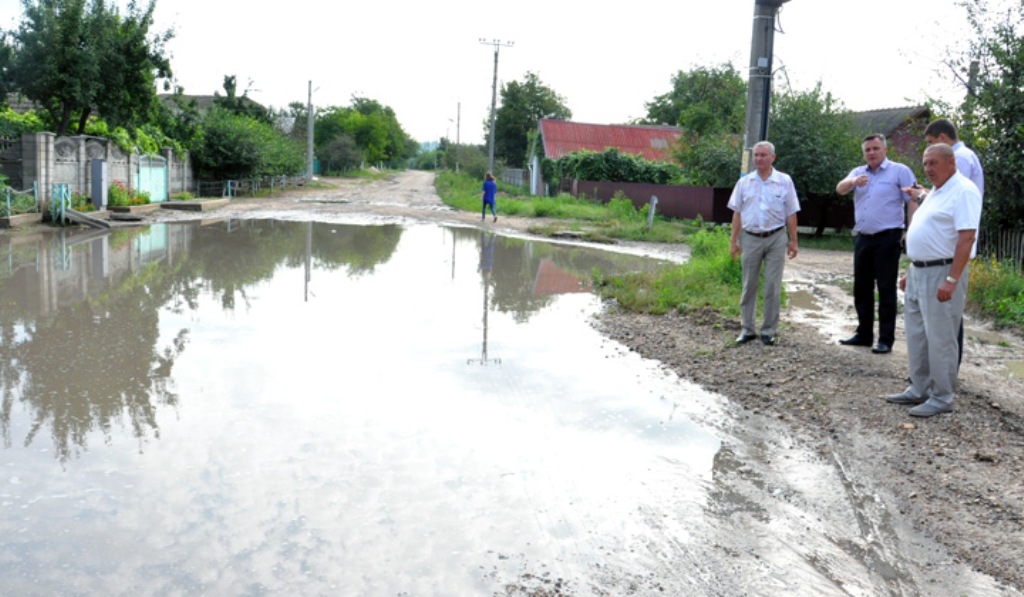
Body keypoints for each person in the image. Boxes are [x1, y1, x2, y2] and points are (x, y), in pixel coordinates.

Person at [886, 143, 981, 417]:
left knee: (941, 338)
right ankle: (919, 388)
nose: (928, 169)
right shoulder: (938, 191)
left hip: (943, 271)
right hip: (920, 271)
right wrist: (911, 270)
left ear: (951, 163)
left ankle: (942, 396)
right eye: (926, 163)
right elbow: (929, 232)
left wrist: (952, 279)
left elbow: (967, 238)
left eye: (933, 163)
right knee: (917, 335)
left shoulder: (963, 191)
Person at [835, 134, 917, 355]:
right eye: (867, 150)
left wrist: (911, 231)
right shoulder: (858, 172)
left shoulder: (900, 171)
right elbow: (840, 189)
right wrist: (853, 182)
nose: (871, 152)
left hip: (888, 238)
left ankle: (885, 339)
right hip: (863, 237)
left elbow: (913, 202)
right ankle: (864, 334)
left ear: (885, 150)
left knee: (886, 289)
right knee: (861, 289)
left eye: (875, 148)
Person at [918, 118, 985, 368]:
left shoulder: (961, 160)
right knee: (941, 320)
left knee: (947, 320)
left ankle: (946, 376)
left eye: (931, 143)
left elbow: (955, 201)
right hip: (942, 253)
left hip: (949, 254)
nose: (928, 167)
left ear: (943, 138)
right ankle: (939, 374)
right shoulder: (954, 163)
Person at [728, 141, 801, 346]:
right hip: (751, 237)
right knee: (749, 284)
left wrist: (793, 241)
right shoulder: (744, 183)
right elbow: (737, 213)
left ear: (773, 157)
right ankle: (747, 329)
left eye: (763, 155)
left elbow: (791, 213)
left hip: (776, 237)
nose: (759, 159)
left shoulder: (784, 181)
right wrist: (733, 241)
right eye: (756, 156)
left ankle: (769, 330)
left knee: (772, 285)